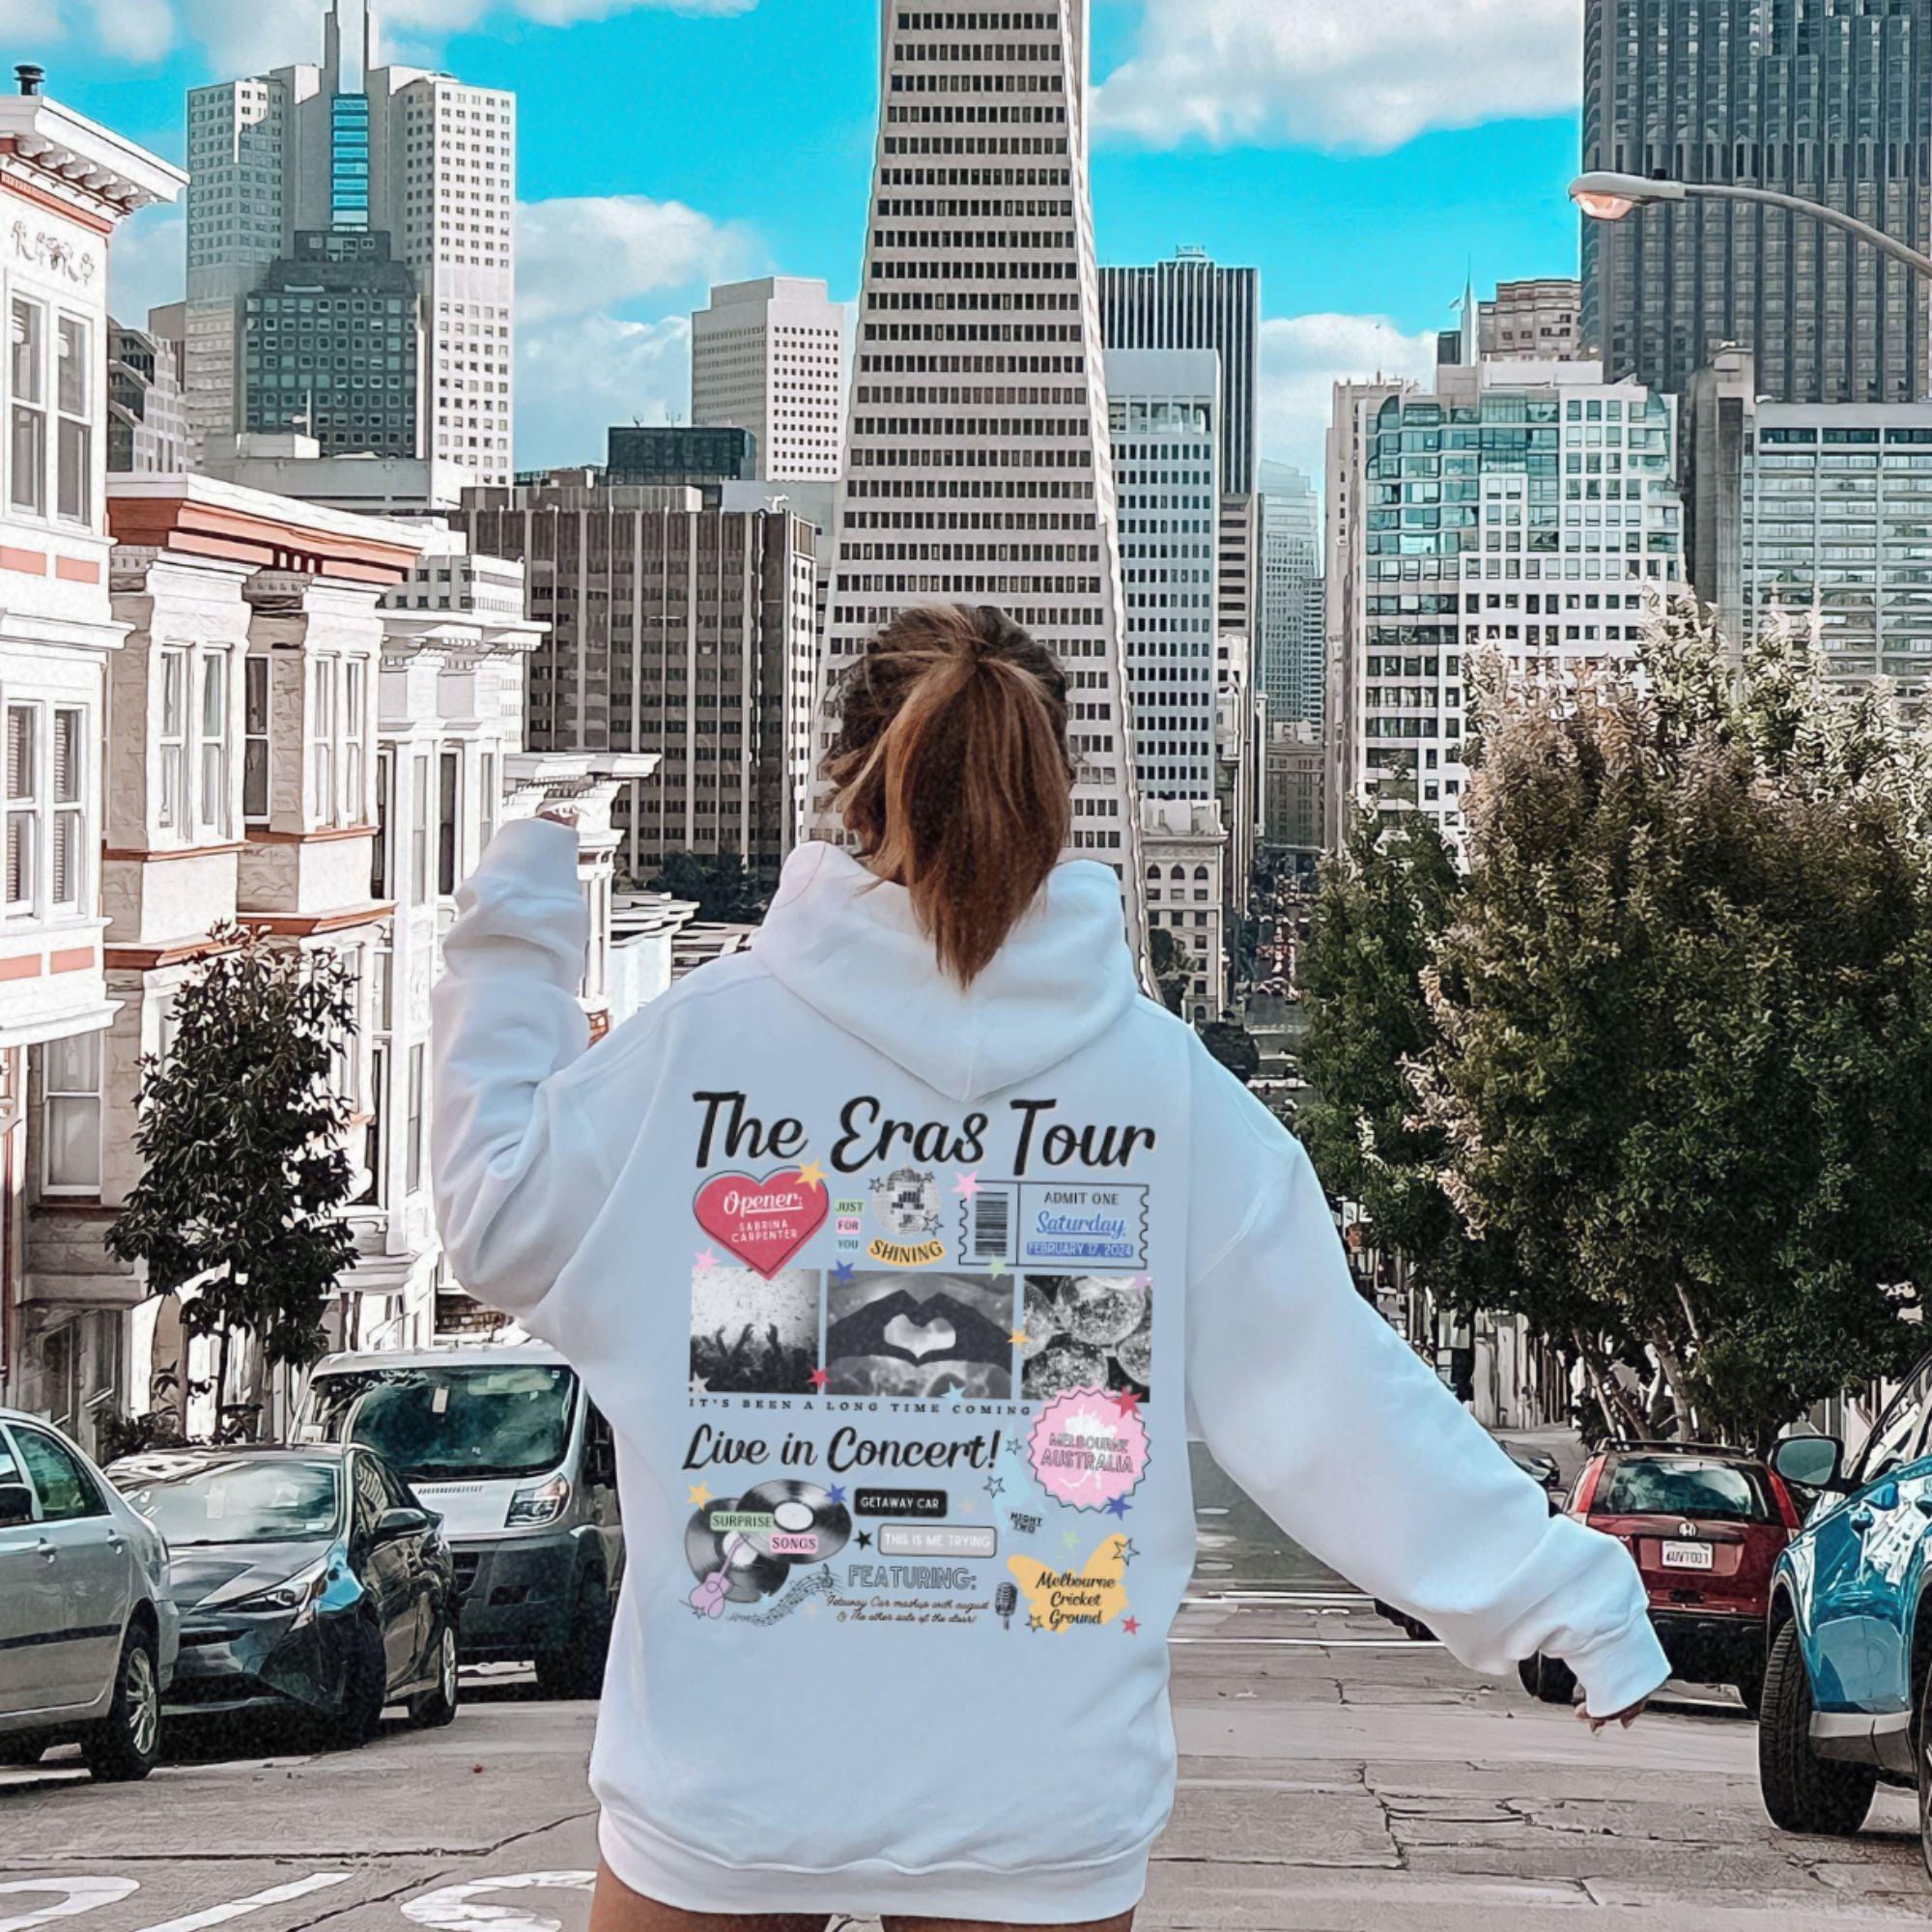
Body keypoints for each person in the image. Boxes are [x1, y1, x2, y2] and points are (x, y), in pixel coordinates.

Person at [430, 603, 1666, 1932]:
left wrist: (521, 913)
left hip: (732, 1774)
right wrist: (1566, 1600)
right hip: (1034, 1794)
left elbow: (498, 1218)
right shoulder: (1166, 1096)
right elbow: (1336, 1394)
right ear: (1058, 799)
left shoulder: (699, 1051)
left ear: (848, 790)